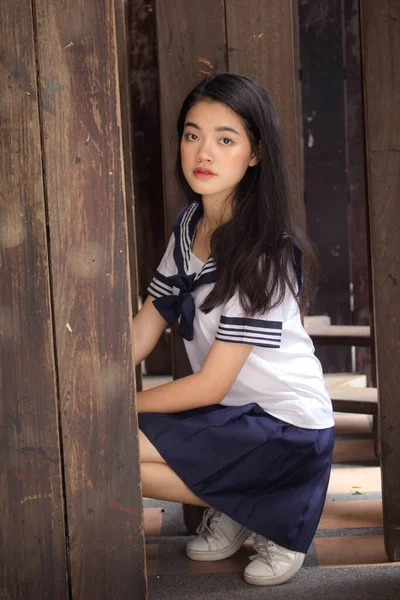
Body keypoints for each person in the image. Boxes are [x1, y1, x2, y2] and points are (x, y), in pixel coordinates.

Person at [133, 72, 335, 587]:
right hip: (233, 417)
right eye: (192, 134)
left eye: (226, 139)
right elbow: (146, 325)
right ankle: (243, 500)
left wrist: (115, 406)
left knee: (113, 444)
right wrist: (87, 389)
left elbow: (211, 384)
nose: (204, 151)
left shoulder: (262, 252)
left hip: (288, 428)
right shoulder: (188, 226)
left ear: (255, 154)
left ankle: (276, 511)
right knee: (104, 443)